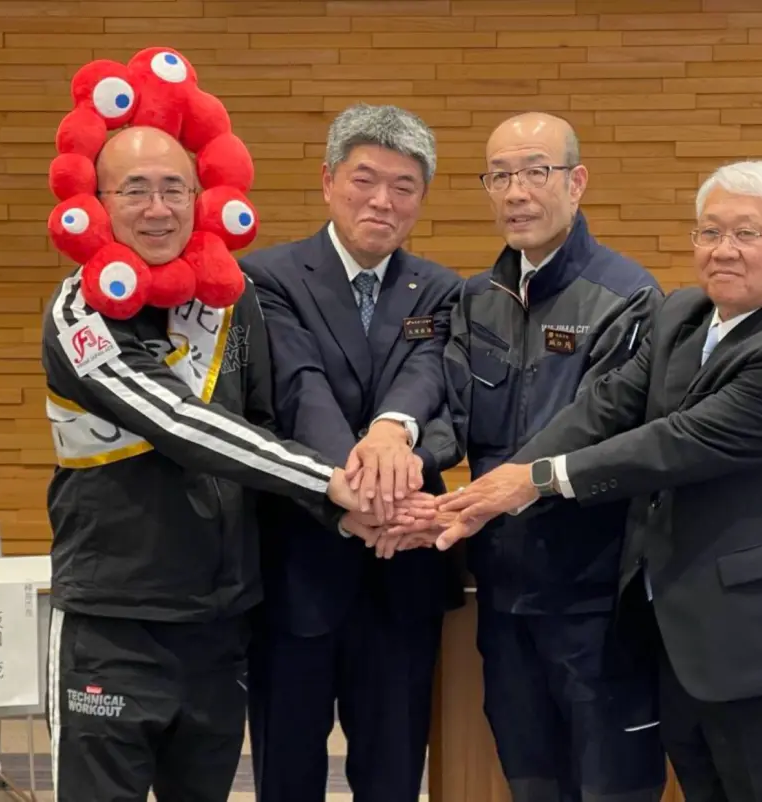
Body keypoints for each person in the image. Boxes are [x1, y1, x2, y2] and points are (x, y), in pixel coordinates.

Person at [39, 52, 432, 802]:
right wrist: (336, 484)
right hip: (115, 620)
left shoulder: (230, 301)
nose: (158, 209)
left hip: (222, 621)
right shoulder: (79, 313)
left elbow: (262, 426)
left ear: (201, 196)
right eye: (135, 190)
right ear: (98, 201)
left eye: (175, 189)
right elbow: (181, 424)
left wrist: (345, 516)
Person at [435, 160, 762, 802]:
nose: (723, 249)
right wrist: (502, 482)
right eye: (710, 232)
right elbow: (605, 406)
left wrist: (535, 482)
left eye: (747, 233)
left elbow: (671, 445)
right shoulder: (685, 315)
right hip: (686, 642)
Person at [413, 111, 667, 802]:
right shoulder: (478, 298)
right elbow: (452, 416)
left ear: (576, 183)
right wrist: (406, 462)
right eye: (499, 176)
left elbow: (601, 425)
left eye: (534, 172)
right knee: (530, 778)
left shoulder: (628, 297)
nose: (516, 192)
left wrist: (504, 486)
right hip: (503, 591)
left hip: (594, 596)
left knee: (612, 785)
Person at [239, 103, 464, 802]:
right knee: (287, 774)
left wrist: (395, 431)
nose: (382, 201)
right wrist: (359, 491)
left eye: (404, 186)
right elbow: (296, 389)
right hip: (298, 564)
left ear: (421, 198)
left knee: (394, 775)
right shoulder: (267, 277)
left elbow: (439, 394)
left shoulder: (444, 291)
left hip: (403, 569)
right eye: (365, 179)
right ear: (328, 180)